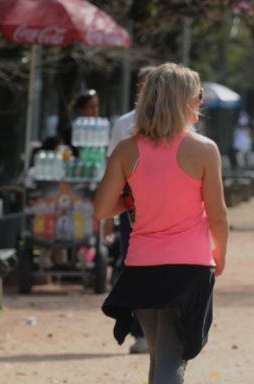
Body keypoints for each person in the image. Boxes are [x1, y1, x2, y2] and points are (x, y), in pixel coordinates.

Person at [95, 63, 229, 384]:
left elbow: (102, 208)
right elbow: (218, 213)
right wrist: (220, 252)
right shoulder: (203, 149)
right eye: (197, 96)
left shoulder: (127, 150)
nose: (201, 103)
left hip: (142, 265)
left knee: (161, 354)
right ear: (183, 102)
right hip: (188, 264)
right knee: (173, 355)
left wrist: (134, 200)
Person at [108, 66, 157, 355]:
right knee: (135, 268)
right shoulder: (124, 124)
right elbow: (112, 172)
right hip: (133, 210)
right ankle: (140, 331)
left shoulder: (182, 125)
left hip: (171, 211)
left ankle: (163, 330)